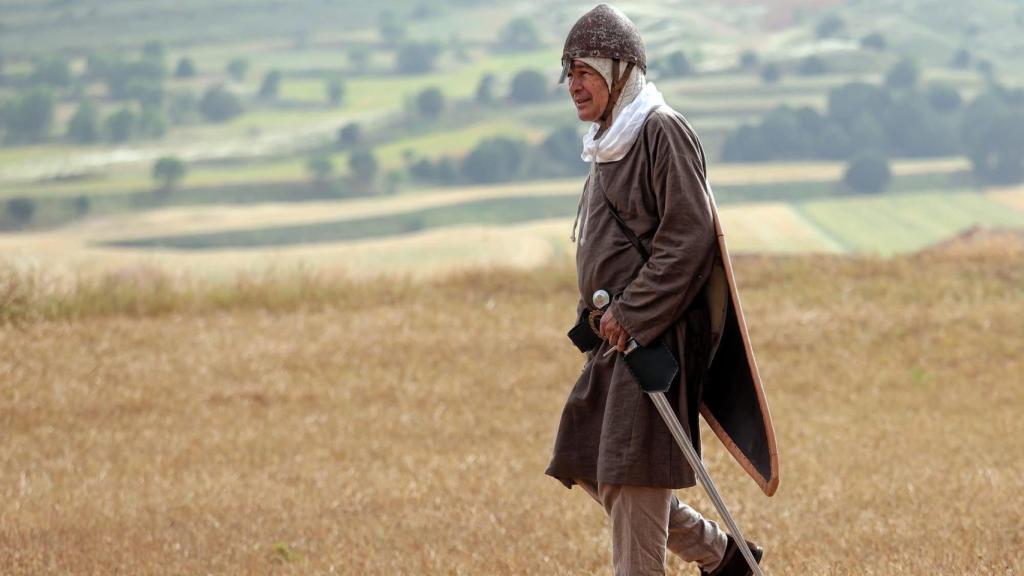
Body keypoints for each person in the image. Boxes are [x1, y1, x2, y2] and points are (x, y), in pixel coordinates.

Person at [545, 5, 780, 576]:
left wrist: (636, 312)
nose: (574, 84)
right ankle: (723, 557)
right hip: (617, 335)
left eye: (586, 70)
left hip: (656, 338)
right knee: (597, 463)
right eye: (569, 72)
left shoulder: (659, 130)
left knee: (630, 475)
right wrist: (594, 311)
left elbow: (688, 236)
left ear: (621, 70)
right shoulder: (610, 137)